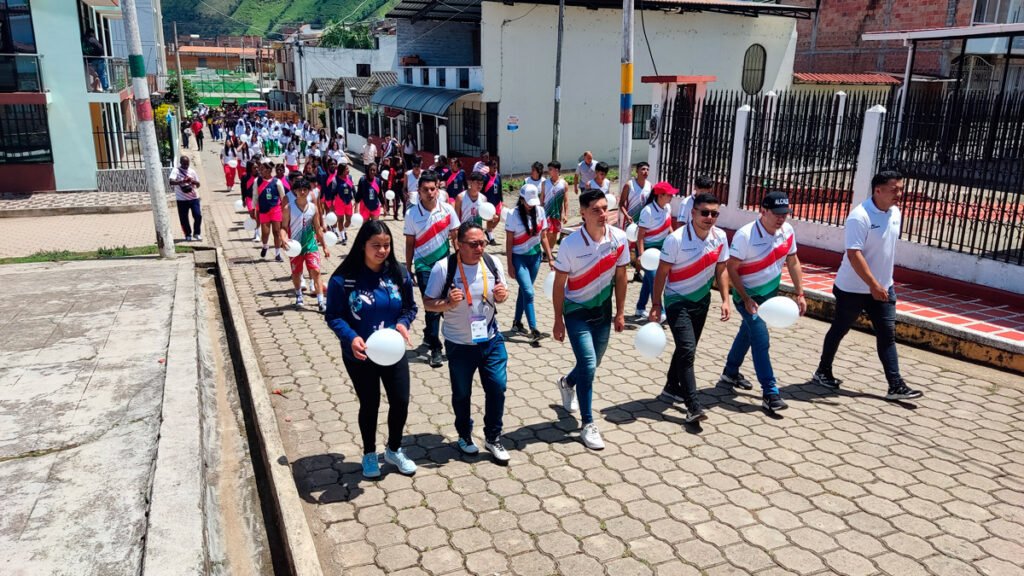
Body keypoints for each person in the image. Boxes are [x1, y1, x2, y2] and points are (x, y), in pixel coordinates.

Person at [812, 172, 922, 400]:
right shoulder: (859, 217)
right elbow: (854, 254)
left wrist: (882, 284)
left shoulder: (895, 213)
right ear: (878, 190)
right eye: (895, 190)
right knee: (840, 328)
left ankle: (896, 385)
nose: (899, 194)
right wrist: (873, 284)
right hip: (853, 289)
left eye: (901, 189)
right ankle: (823, 371)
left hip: (883, 288)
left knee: (887, 335)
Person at [325, 220, 418, 478]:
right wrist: (350, 337)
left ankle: (394, 449)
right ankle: (369, 453)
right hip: (360, 354)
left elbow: (410, 308)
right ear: (362, 246)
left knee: (400, 401)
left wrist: (403, 323)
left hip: (393, 351)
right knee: (370, 403)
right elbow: (333, 315)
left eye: (386, 245)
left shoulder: (399, 273)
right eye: (376, 245)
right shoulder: (344, 279)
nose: (382, 250)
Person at [423, 222, 511, 463]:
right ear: (458, 244)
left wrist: (502, 297)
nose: (480, 248)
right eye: (473, 244)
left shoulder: (493, 263)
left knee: (497, 387)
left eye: (482, 242)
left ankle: (493, 437)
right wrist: (448, 303)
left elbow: (501, 294)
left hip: (491, 339)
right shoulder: (443, 268)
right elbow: (428, 302)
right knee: (462, 393)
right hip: (458, 343)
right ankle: (464, 434)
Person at [551, 189, 630, 450]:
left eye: (605, 208)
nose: (602, 214)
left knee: (590, 365)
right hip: (576, 313)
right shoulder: (571, 244)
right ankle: (587, 423)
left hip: (602, 313)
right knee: (588, 364)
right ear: (582, 213)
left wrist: (620, 312)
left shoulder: (618, 238)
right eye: (595, 209)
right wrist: (557, 320)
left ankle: (567, 382)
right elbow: (559, 284)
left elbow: (621, 277)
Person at [719, 191, 807, 412]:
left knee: (747, 333)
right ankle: (770, 392)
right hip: (746, 297)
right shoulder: (745, 235)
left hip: (769, 297)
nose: (781, 218)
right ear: (763, 211)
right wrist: (745, 298)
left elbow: (793, 260)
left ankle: (730, 373)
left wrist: (800, 293)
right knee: (760, 338)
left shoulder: (787, 231)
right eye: (776, 214)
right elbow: (732, 268)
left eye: (785, 214)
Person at [649, 192, 731, 423]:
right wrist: (656, 305)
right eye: (704, 212)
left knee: (688, 348)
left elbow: (722, 269)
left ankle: (670, 386)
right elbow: (662, 273)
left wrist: (725, 299)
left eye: (714, 213)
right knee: (687, 349)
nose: (709, 217)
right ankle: (692, 405)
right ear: (693, 213)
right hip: (677, 301)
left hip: (702, 302)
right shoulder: (675, 239)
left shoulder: (721, 237)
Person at [404, 170, 460, 368]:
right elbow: (410, 243)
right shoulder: (411, 214)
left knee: (449, 304)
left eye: (433, 189)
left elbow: (455, 236)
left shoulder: (447, 210)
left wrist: (461, 261)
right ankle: (436, 348)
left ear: (438, 189)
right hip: (424, 265)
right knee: (433, 305)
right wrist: (408, 268)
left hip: (445, 265)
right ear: (418, 191)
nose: (430, 193)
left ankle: (432, 335)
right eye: (425, 189)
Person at [505, 184, 553, 345]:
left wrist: (551, 257)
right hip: (519, 258)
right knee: (529, 292)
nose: (530, 205)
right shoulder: (513, 214)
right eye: (527, 202)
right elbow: (509, 241)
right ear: (521, 199)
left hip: (535, 258)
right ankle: (534, 329)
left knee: (524, 292)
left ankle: (517, 323)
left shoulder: (540, 211)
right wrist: (510, 264)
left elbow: (544, 236)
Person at [281, 177, 330, 311]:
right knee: (296, 273)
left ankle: (321, 301)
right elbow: (283, 227)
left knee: (316, 271)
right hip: (295, 247)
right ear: (295, 191)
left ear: (308, 191)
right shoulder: (288, 207)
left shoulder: (313, 208)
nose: (302, 192)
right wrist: (283, 239)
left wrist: (324, 245)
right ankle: (298, 295)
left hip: (310, 245)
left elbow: (318, 228)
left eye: (305, 189)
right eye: (300, 190)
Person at [634, 182, 676, 320]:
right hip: (648, 251)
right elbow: (640, 236)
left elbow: (668, 227)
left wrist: (676, 241)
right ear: (660, 195)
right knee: (654, 279)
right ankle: (661, 311)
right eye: (669, 194)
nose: (672, 196)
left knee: (648, 280)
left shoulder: (667, 208)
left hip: (662, 250)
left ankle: (640, 308)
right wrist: (641, 255)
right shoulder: (648, 211)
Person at [255, 159, 287, 261]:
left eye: (263, 169)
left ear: (269, 170)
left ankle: (277, 254)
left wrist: (285, 210)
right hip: (263, 210)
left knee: (277, 232)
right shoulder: (258, 181)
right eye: (260, 169)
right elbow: (255, 196)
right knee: (265, 233)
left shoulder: (277, 182)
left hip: (276, 209)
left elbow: (283, 197)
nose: (261, 171)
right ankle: (265, 246)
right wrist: (254, 209)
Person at [170, 156, 202, 242]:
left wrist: (193, 181)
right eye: (184, 164)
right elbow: (171, 182)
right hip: (181, 199)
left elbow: (198, 184)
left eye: (187, 164)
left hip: (194, 198)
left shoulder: (192, 171)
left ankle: (197, 233)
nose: (186, 165)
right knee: (184, 218)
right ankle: (188, 234)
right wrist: (182, 181)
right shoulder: (175, 171)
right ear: (180, 163)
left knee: (198, 215)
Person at [540, 161, 569, 253]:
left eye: (550, 169)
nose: (548, 171)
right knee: (548, 233)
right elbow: (542, 199)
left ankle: (550, 251)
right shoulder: (545, 183)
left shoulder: (564, 184)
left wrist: (566, 214)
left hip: (557, 214)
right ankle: (546, 252)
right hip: (546, 212)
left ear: (557, 170)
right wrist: (539, 212)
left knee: (555, 233)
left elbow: (566, 200)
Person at [482, 159, 503, 245]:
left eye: (496, 167)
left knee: (497, 219)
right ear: (489, 167)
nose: (495, 169)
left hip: (497, 200)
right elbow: (482, 190)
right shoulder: (485, 177)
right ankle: (491, 237)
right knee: (490, 219)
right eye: (493, 167)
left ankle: (488, 231)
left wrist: (502, 201)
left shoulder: (498, 177)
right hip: (489, 201)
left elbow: (500, 189)